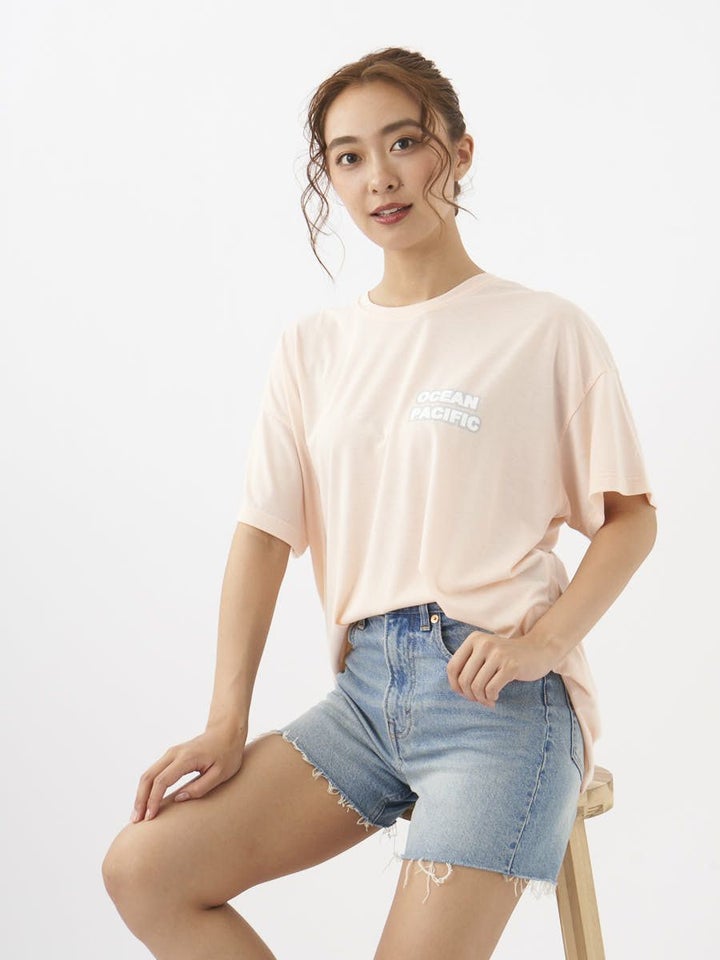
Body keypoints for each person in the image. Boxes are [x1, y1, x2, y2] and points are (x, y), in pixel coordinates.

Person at [102, 46, 657, 960]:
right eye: (349, 157)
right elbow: (263, 533)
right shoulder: (313, 348)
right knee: (146, 871)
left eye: (404, 143)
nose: (379, 178)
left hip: (499, 706)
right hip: (365, 699)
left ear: (460, 152)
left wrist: (544, 644)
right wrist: (227, 719)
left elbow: (631, 517)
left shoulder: (543, 330)